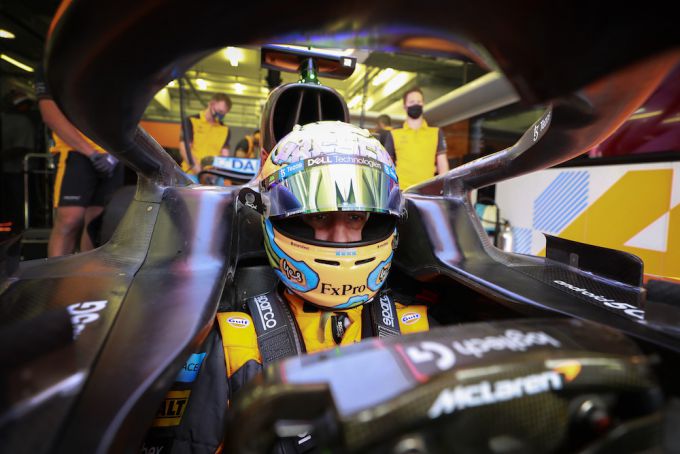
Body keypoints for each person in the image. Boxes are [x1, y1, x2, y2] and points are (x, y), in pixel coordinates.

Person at [141, 121, 431, 453]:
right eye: (319, 216)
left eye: (355, 217)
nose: (340, 239)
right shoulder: (237, 344)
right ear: (283, 217)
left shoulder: (420, 333)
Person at [36, 67, 124, 257]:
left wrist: (116, 154)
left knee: (98, 225)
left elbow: (128, 113)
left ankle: (88, 273)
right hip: (75, 152)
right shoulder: (55, 63)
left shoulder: (118, 66)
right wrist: (92, 154)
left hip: (112, 157)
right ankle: (57, 274)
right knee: (69, 220)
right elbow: (50, 114)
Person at [384, 87, 449, 189]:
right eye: (412, 102)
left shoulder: (436, 132)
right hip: (402, 190)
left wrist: (445, 187)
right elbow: (387, 164)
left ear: (423, 104)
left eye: (419, 101)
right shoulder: (394, 133)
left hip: (428, 190)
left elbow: (442, 164)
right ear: (404, 106)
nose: (416, 104)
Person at [179, 93, 231, 176]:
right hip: (191, 173)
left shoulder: (225, 129)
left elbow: (225, 154)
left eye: (224, 114)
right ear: (211, 104)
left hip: (213, 175)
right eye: (220, 111)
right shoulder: (191, 121)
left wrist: (216, 173)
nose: (221, 115)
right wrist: (200, 173)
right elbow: (184, 149)